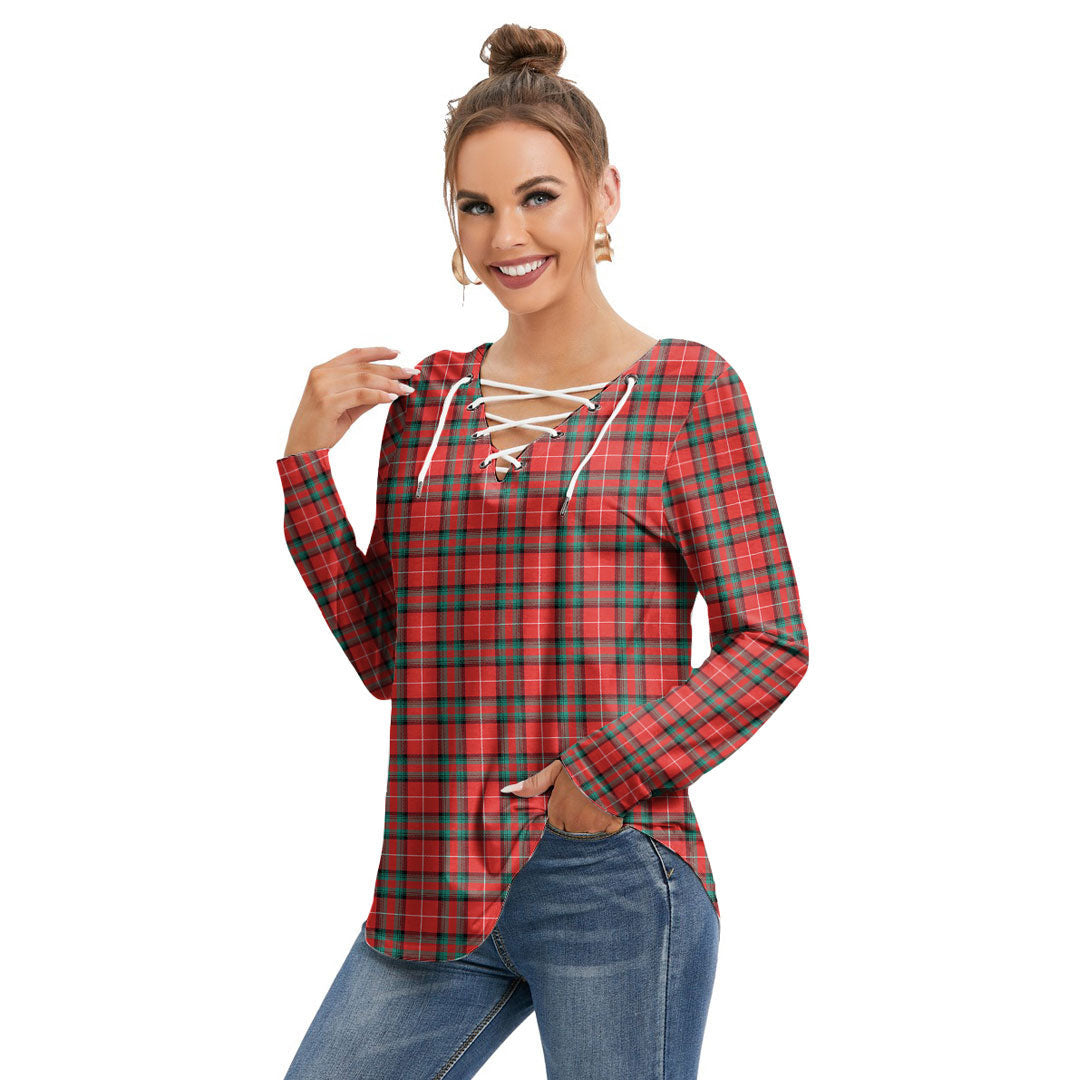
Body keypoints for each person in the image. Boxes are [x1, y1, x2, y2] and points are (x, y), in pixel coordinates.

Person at [275, 22, 810, 1080]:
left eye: (537, 196)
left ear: (604, 195)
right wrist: (305, 467)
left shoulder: (687, 391)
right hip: (428, 881)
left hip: (607, 876)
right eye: (476, 205)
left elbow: (771, 640)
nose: (506, 234)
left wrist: (602, 781)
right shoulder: (428, 404)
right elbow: (388, 657)